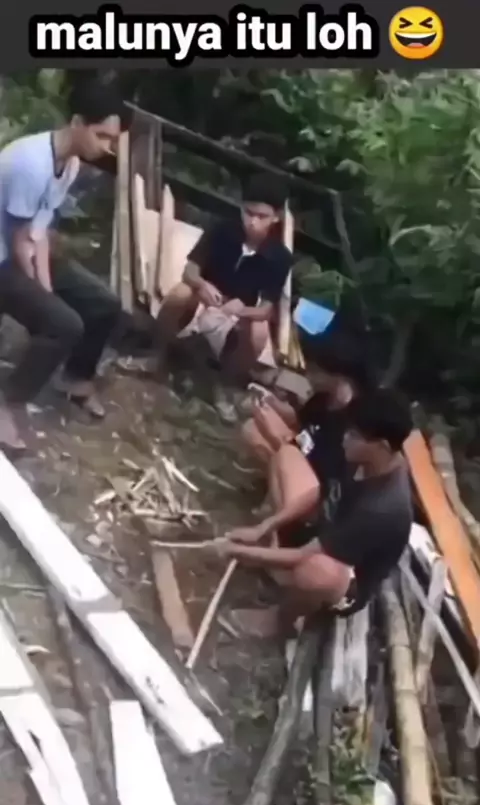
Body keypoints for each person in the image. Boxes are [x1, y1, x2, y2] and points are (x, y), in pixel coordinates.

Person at [213, 388, 413, 638]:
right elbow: (319, 492)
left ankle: (279, 620)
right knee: (287, 456)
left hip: (346, 583)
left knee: (316, 572)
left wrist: (235, 551)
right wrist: (264, 527)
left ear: (382, 446)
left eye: (354, 435)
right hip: (328, 532)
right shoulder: (364, 456)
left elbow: (304, 556)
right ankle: (276, 563)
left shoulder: (383, 508)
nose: (345, 438)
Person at [0, 79, 130, 451]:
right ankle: (9, 401)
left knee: (104, 303)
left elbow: (39, 232)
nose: (106, 148)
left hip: (21, 248)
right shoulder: (29, 162)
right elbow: (19, 240)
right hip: (3, 255)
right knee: (64, 323)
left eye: (111, 140)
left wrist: (46, 286)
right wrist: (44, 294)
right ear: (76, 122)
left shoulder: (69, 163)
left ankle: (75, 377)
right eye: (101, 136)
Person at [154, 173, 293, 420]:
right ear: (241, 208)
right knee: (180, 293)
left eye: (262, 216)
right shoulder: (222, 229)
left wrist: (241, 310)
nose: (253, 222)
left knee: (259, 332)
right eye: (248, 213)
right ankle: (159, 352)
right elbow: (190, 270)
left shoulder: (279, 257)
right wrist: (202, 284)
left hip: (239, 311)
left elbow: (266, 310)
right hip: (206, 296)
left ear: (276, 217)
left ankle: (224, 382)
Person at [236, 331, 376, 548]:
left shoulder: (352, 423)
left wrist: (279, 439)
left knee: (284, 454)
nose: (308, 374)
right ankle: (276, 499)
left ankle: (282, 528)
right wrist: (271, 402)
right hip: (305, 459)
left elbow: (324, 471)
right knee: (253, 430)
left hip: (319, 495)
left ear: (339, 379)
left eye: (315, 370)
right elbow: (301, 422)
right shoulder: (324, 399)